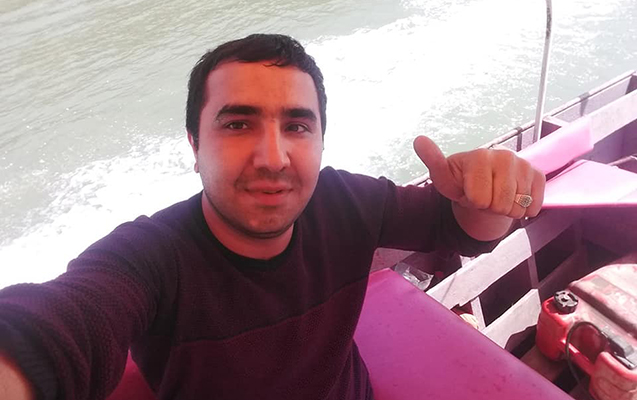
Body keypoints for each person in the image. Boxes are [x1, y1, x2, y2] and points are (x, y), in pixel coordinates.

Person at [0, 34, 545, 400]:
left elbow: (457, 230)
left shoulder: (346, 202)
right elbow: (59, 329)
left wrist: (488, 200)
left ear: (321, 140)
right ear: (194, 145)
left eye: (297, 126)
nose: (273, 157)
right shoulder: (149, 258)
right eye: (238, 124)